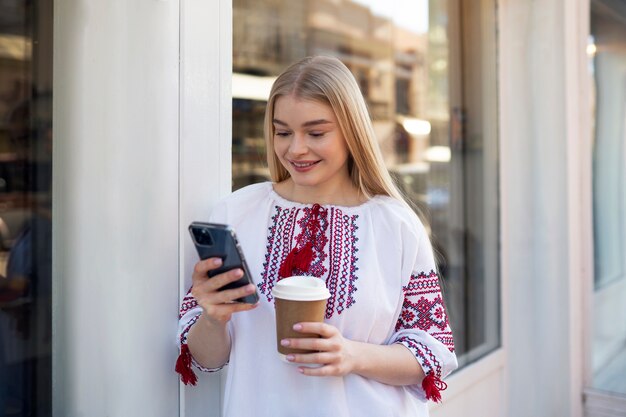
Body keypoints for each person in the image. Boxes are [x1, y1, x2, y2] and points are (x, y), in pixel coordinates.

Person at [176, 56, 457, 416]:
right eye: (283, 132)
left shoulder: (395, 224)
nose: (295, 149)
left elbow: (431, 354)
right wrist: (213, 316)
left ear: (351, 130)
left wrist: (353, 355)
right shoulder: (236, 213)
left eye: (316, 132)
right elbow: (206, 359)